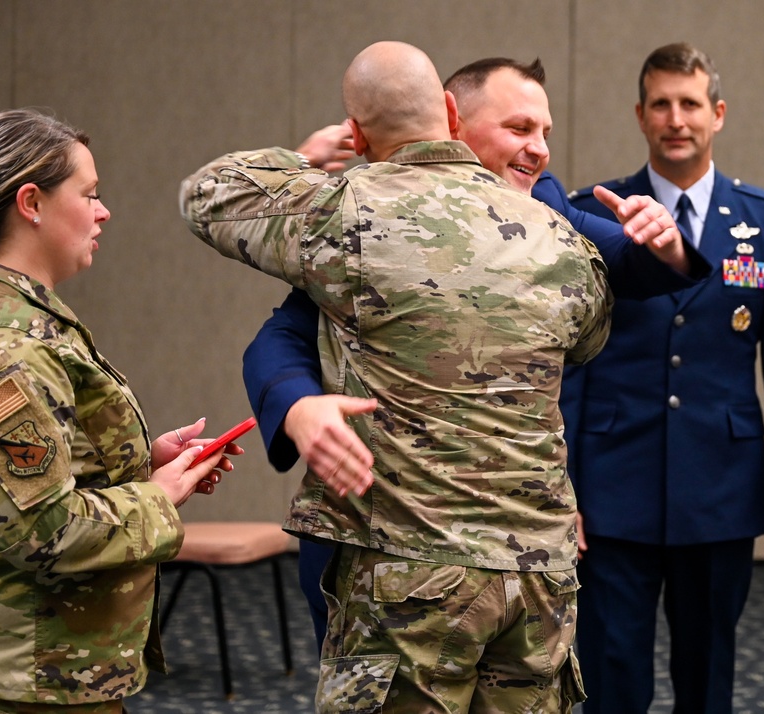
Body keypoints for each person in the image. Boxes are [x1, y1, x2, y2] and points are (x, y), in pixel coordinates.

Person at [182, 40, 611, 713]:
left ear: (355, 132)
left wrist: (308, 158)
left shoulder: (341, 210)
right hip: (537, 574)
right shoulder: (556, 237)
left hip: (410, 571)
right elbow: (587, 339)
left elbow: (207, 194)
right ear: (447, 109)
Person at [243, 55, 713, 650]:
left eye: (545, 132)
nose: (539, 149)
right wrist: (297, 405)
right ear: (449, 120)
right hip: (385, 542)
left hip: (510, 548)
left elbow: (623, 259)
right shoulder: (372, 210)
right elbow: (283, 335)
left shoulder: (539, 207)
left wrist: (663, 243)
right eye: (519, 129)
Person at [0, 109, 237, 713]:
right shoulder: (0, 342)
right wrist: (158, 495)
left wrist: (141, 464)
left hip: (28, 663)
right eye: (89, 194)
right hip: (22, 673)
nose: (103, 210)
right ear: (31, 202)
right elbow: (42, 529)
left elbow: (7, 472)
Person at [562, 42, 764, 713]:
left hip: (718, 485)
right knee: (610, 670)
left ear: (717, 114)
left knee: (706, 671)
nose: (675, 119)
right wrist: (558, 481)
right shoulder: (591, 211)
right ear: (640, 116)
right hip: (610, 481)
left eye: (689, 104)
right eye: (660, 105)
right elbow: (567, 359)